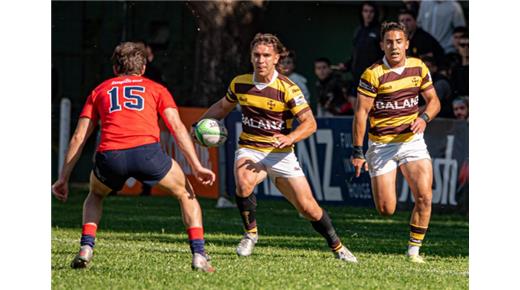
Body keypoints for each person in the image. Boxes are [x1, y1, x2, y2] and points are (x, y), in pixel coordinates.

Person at [51, 42, 216, 272]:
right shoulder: (157, 89)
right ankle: (199, 255)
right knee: (186, 193)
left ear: (115, 69)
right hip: (147, 153)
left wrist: (63, 178)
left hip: (110, 156)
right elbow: (177, 128)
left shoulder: (99, 91)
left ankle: (86, 248)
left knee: (96, 194)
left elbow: (79, 137)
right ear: (143, 69)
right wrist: (197, 166)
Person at [194, 33, 358, 263]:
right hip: (250, 148)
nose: (261, 60)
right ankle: (250, 234)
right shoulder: (240, 83)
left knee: (309, 209)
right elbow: (222, 107)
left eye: (266, 56)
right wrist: (198, 124)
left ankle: (338, 246)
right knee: (243, 181)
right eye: (256, 55)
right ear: (251, 57)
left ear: (277, 58)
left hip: (281, 155)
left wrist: (290, 138)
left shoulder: (288, 88)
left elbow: (310, 124)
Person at [351, 22, 441, 263]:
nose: (394, 46)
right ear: (382, 45)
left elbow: (434, 102)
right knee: (386, 209)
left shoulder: (418, 67)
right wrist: (358, 151)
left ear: (407, 44)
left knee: (424, 196)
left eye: (398, 41)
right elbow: (361, 114)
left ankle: (414, 251)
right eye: (389, 42)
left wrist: (423, 118)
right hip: (382, 146)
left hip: (412, 142)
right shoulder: (372, 74)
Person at [339, 1, 383, 95]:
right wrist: (346, 65)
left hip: (373, 78)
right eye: (366, 11)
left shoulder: (380, 31)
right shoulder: (358, 31)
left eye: (371, 11)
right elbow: (355, 54)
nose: (368, 14)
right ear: (361, 13)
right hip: (358, 77)